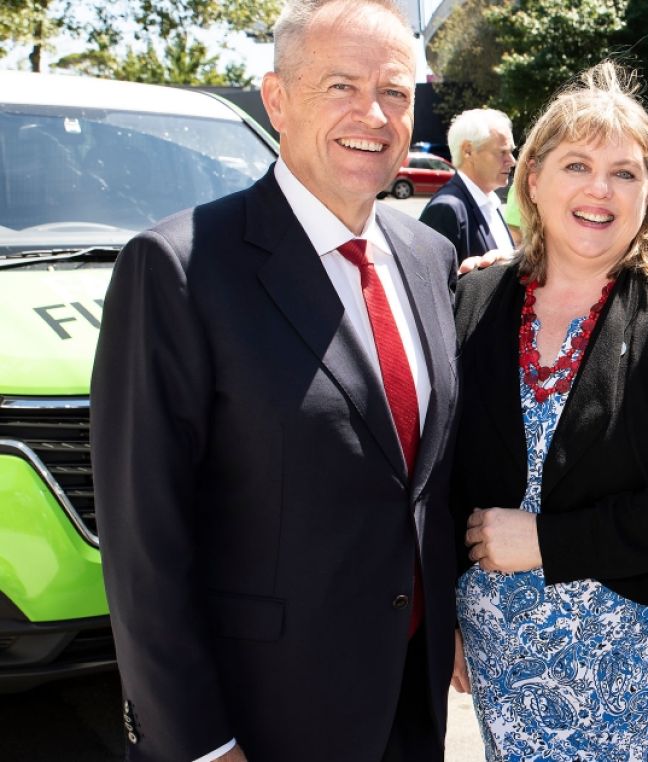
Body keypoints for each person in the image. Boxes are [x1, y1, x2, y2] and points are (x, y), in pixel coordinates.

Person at [91, 0, 459, 760]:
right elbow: (144, 541)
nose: (374, 114)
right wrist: (197, 741)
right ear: (277, 99)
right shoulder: (180, 268)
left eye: (395, 92)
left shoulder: (427, 258)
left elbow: (421, 478)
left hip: (408, 706)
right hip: (262, 718)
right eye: (341, 86)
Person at [450, 61, 648, 761]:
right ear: (533, 179)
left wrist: (550, 542)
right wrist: (447, 610)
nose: (600, 189)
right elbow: (439, 474)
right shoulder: (472, 302)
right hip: (515, 674)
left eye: (625, 172)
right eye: (577, 165)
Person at [420, 108, 517, 268]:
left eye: (510, 152)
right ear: (468, 151)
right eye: (502, 152)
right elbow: (431, 285)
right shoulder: (446, 209)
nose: (512, 160)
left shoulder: (490, 200)